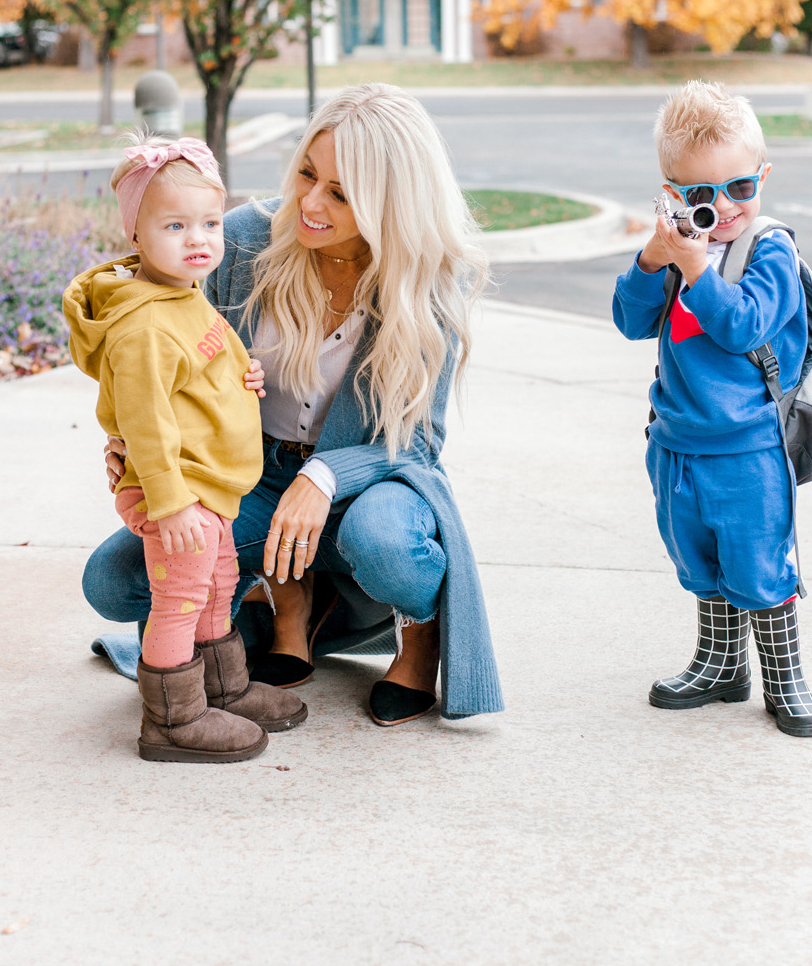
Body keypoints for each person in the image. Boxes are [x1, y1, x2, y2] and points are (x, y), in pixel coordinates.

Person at [83, 84, 504, 727]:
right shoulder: (245, 240)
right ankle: (288, 605)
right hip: (249, 472)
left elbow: (418, 443)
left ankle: (418, 637)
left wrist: (324, 474)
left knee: (387, 544)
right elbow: (157, 341)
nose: (309, 202)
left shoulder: (427, 282)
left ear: (390, 203)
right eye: (308, 173)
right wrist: (136, 443)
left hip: (369, 484)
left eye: (340, 193)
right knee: (116, 581)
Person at [64, 134, 307, 763]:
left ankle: (221, 688)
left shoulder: (183, 295)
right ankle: (172, 720)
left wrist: (242, 374)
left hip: (209, 488)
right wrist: (169, 505)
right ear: (136, 235)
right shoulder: (143, 324)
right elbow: (146, 422)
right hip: (177, 493)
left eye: (207, 222)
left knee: (219, 582)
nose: (198, 238)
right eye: (174, 225)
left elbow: (195, 372)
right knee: (178, 598)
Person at [612, 80, 812, 737]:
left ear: (761, 175)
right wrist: (656, 256)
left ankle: (784, 675)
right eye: (701, 195)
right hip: (678, 441)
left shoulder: (770, 250)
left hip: (748, 448)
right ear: (673, 194)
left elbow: (745, 326)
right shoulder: (678, 252)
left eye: (739, 187)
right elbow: (629, 319)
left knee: (759, 560)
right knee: (698, 557)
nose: (724, 207)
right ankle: (720, 662)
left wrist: (699, 269)